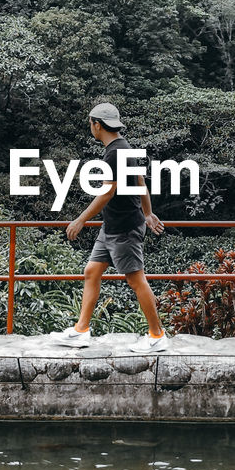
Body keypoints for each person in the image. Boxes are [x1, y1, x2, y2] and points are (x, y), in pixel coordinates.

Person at [48, 101, 168, 352]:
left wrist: (80, 220)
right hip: (112, 225)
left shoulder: (115, 152)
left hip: (123, 227)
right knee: (92, 270)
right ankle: (81, 330)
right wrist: (148, 213)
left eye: (90, 123)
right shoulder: (123, 148)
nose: (90, 127)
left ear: (97, 124)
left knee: (136, 280)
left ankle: (157, 335)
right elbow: (141, 183)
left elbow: (107, 191)